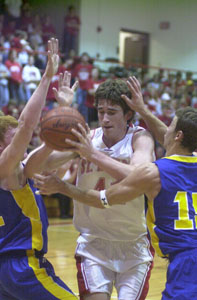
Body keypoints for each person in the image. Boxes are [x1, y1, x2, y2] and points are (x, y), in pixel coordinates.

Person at [34, 77, 197, 300]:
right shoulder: (87, 138)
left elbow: (136, 177)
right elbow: (43, 163)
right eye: (100, 111)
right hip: (93, 243)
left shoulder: (140, 139)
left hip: (134, 245)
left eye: (112, 112)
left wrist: (91, 157)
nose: (105, 118)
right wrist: (60, 118)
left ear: (128, 114)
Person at [0, 38, 77, 300]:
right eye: (13, 140)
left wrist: (64, 108)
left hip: (8, 269)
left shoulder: (20, 169)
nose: (22, 143)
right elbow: (26, 126)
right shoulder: (5, 169)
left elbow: (52, 148)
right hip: (21, 267)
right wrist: (46, 78)